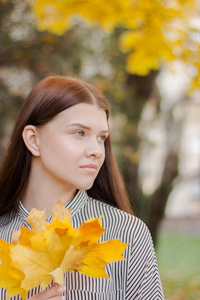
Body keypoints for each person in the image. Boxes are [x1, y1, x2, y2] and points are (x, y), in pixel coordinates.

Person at [0, 76, 164, 300]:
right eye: (79, 133)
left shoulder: (127, 234)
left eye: (101, 138)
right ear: (33, 140)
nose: (97, 150)